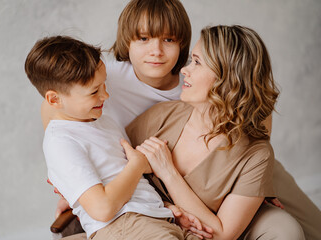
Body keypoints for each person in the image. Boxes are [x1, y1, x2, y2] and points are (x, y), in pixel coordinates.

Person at [44, 0, 321, 239]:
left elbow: (257, 116)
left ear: (182, 44)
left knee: (305, 228)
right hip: (156, 188)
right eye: (143, 39)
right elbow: (59, 110)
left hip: (229, 159)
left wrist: (250, 178)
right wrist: (70, 179)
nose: (156, 51)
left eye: (169, 40)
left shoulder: (188, 87)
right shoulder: (107, 76)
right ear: (127, 41)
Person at [126, 25, 313, 239]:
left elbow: (222, 234)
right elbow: (110, 167)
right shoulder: (161, 116)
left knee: (293, 230)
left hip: (254, 190)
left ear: (228, 79)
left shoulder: (255, 151)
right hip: (150, 224)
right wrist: (165, 206)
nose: (184, 70)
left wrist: (168, 172)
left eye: (197, 63)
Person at [25, 35, 202, 240]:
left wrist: (165, 208)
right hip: (121, 226)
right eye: (93, 92)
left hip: (152, 219)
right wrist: (137, 165)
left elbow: (125, 182)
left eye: (104, 85)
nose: (105, 96)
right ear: (54, 99)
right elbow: (102, 209)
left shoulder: (102, 121)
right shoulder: (61, 142)